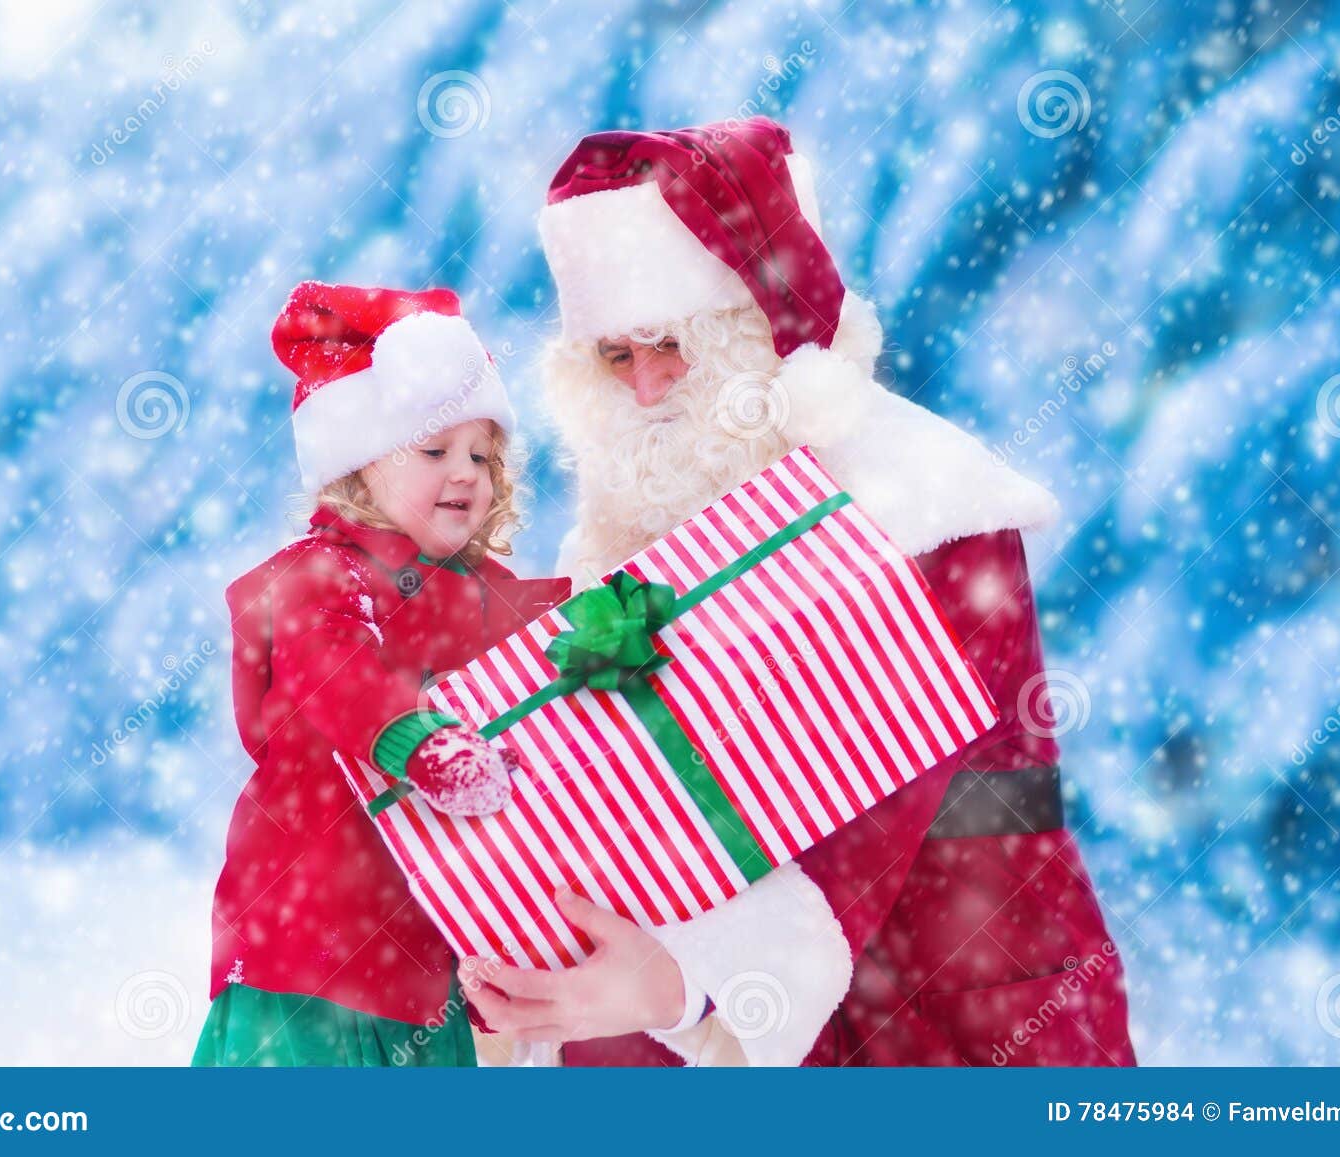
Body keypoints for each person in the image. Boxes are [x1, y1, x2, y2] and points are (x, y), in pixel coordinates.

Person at [461, 117, 1137, 1067]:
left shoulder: (921, 504)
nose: (648, 387)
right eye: (616, 357)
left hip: (955, 1015)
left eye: (671, 344)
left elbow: (866, 806)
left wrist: (679, 979)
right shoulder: (627, 538)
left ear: (749, 331)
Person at [193, 281, 570, 1066]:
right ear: (360, 467)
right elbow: (338, 674)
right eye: (434, 449)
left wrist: (617, 633)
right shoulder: (320, 577)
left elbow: (549, 649)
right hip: (309, 949)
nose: (466, 472)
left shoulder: (473, 588)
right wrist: (421, 742)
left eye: (482, 454)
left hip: (428, 959)